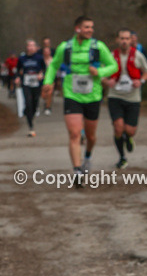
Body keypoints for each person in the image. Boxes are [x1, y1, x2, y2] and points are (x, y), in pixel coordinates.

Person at [41, 17, 118, 183]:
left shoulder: (99, 46)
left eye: (91, 27)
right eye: (86, 27)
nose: (90, 30)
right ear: (77, 29)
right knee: (75, 133)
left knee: (90, 136)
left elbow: (114, 66)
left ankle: (88, 157)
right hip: (71, 94)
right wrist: (48, 82)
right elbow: (54, 65)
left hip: (93, 95)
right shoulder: (65, 47)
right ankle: (77, 171)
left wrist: (100, 72)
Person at [103, 28, 147, 168]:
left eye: (127, 38)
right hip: (115, 97)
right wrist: (107, 82)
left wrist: (140, 81)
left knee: (130, 130)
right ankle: (122, 157)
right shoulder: (111, 56)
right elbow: (102, 75)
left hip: (133, 98)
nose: (124, 41)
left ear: (131, 40)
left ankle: (128, 137)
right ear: (117, 40)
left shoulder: (138, 55)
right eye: (121, 38)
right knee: (118, 128)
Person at [15, 39, 47, 137]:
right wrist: (17, 77)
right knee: (28, 102)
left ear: (36, 47)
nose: (31, 47)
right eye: (29, 45)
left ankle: (28, 113)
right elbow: (17, 70)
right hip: (26, 83)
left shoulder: (39, 58)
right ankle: (31, 127)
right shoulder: (22, 58)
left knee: (35, 103)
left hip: (36, 83)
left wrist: (42, 74)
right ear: (27, 47)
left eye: (33, 45)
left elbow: (45, 69)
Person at [41, 38, 54, 114]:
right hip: (43, 78)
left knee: (49, 93)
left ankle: (48, 107)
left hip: (51, 79)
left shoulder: (52, 60)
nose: (46, 53)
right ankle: (45, 103)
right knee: (43, 95)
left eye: (48, 51)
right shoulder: (41, 60)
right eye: (45, 52)